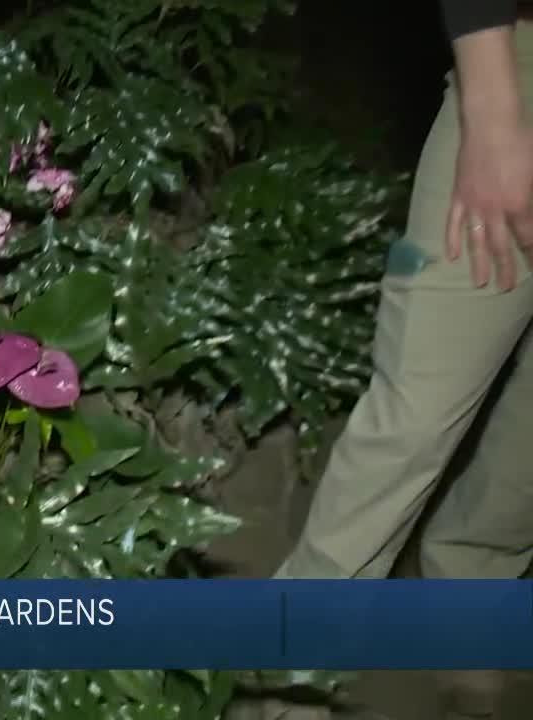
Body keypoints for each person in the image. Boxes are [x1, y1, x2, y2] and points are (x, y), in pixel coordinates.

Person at [247, 2, 533, 718]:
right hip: (518, 79)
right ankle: (285, 684)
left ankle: (473, 610)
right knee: (416, 414)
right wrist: (492, 114)